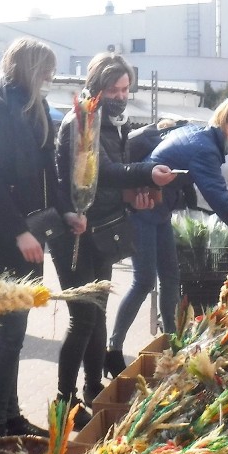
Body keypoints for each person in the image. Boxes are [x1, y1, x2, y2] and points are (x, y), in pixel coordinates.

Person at [108, 96, 228, 374]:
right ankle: (113, 349)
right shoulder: (205, 150)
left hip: (160, 210)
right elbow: (223, 204)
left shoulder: (199, 134)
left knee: (172, 279)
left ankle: (173, 346)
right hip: (143, 208)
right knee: (143, 281)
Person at [50, 52, 175, 423]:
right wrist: (147, 173)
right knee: (83, 318)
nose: (121, 95)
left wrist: (133, 196)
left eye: (125, 89)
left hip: (102, 227)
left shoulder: (108, 122)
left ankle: (93, 388)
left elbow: (105, 183)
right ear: (97, 86)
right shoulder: (82, 120)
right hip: (74, 230)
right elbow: (101, 172)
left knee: (98, 311)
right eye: (114, 88)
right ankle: (64, 402)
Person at [0, 37, 67, 440]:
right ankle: (0, 424)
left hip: (27, 236)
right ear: (27, 68)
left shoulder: (35, 110)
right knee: (9, 336)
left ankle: (9, 416)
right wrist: (20, 231)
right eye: (44, 70)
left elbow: (49, 172)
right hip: (0, 235)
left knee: (15, 334)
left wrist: (68, 212)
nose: (48, 78)